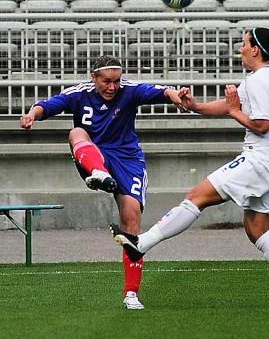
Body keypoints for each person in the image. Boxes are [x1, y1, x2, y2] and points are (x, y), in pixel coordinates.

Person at [110, 28, 269, 307]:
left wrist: (234, 111)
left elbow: (262, 125)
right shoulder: (266, 77)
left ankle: (141, 244)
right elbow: (226, 105)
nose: (240, 49)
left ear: (255, 49)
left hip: (261, 162)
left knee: (197, 197)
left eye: (244, 44)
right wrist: (195, 105)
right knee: (257, 230)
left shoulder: (260, 80)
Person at [19, 55, 188, 310]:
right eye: (106, 81)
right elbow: (49, 104)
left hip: (127, 159)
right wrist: (32, 114)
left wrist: (175, 95)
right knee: (76, 132)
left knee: (131, 219)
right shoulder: (79, 93)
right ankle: (99, 173)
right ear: (94, 77)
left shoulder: (128, 91)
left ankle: (131, 293)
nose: (112, 87)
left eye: (116, 81)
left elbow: (158, 91)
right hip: (93, 155)